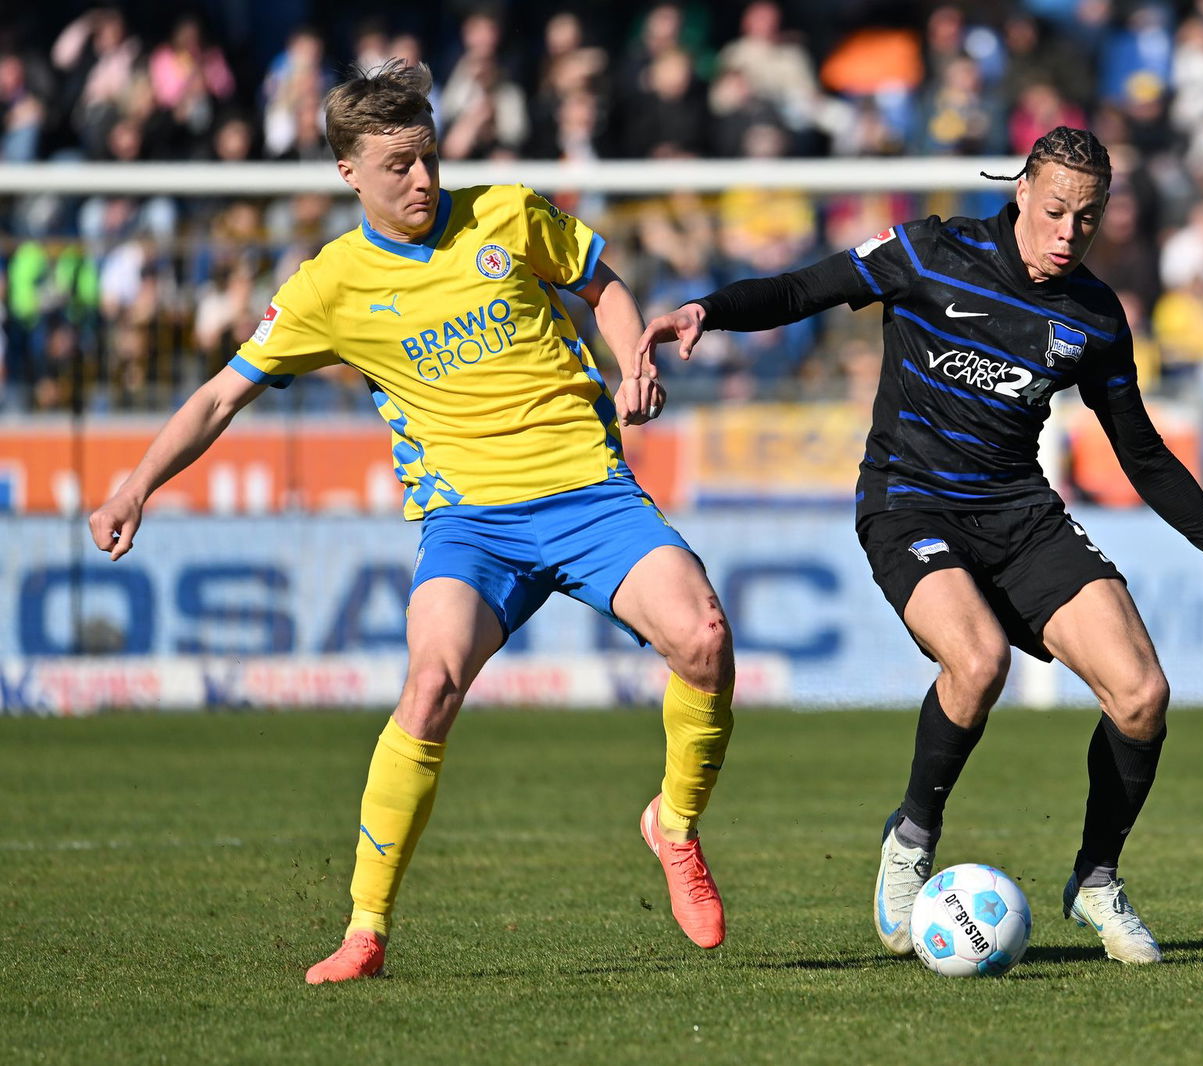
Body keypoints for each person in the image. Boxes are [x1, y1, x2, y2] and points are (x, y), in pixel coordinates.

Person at [86, 61, 735, 982]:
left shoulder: (508, 213)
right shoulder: (329, 287)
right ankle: (365, 932)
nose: (423, 180)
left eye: (428, 158)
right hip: (471, 525)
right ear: (349, 172)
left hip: (590, 497)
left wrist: (632, 360)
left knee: (706, 639)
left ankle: (673, 825)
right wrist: (135, 485)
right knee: (429, 686)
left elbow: (603, 284)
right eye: (398, 165)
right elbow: (219, 400)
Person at [637, 126, 1203, 966]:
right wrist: (708, 309)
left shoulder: (1095, 316)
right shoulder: (927, 252)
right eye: (1058, 210)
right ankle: (913, 838)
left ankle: (1097, 881)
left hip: (1018, 512)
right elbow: (802, 289)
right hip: (907, 502)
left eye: (1089, 219)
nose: (1070, 233)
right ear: (1024, 191)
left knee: (1141, 695)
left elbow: (1141, 451)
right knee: (978, 661)